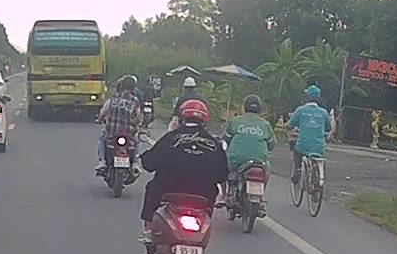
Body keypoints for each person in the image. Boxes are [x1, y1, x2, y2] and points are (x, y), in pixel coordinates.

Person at [139, 99, 229, 243]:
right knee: (213, 191)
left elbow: (149, 164)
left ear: (182, 118)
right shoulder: (215, 144)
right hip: (202, 198)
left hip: (169, 193)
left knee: (152, 188)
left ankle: (149, 230)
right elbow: (222, 175)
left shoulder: (170, 138)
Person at [223, 94, 277, 197]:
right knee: (267, 170)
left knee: (224, 168)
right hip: (260, 160)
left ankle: (225, 195)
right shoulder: (265, 124)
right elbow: (272, 144)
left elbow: (225, 139)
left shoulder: (235, 121)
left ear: (244, 107)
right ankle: (261, 195)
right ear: (260, 109)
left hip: (236, 159)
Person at [94, 75, 144, 177]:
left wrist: (99, 119)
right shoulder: (135, 101)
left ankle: (102, 161)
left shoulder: (112, 99)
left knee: (102, 140)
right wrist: (137, 125)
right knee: (137, 142)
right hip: (129, 135)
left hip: (111, 134)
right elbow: (138, 117)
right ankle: (135, 163)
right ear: (133, 88)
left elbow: (103, 112)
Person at [288, 85, 333, 185]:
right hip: (319, 147)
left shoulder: (300, 110)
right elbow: (328, 128)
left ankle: (298, 169)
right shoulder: (323, 112)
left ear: (307, 97)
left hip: (303, 146)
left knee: (295, 148)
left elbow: (290, 125)